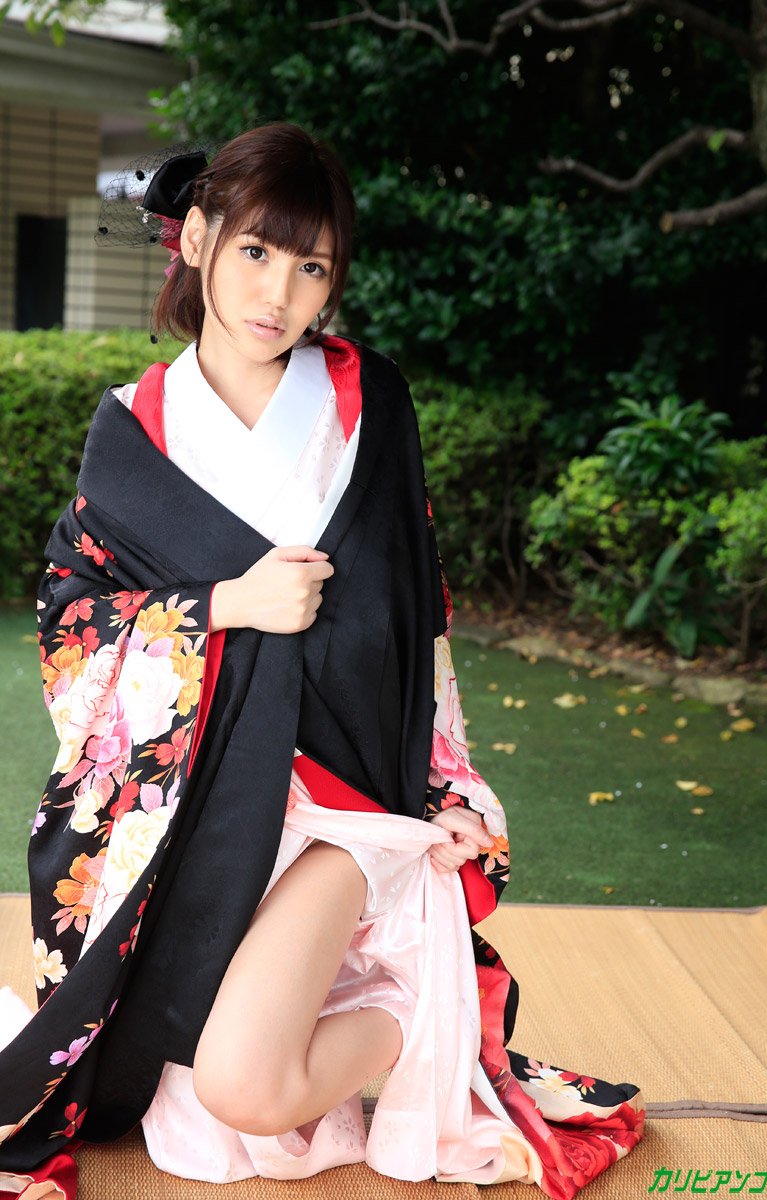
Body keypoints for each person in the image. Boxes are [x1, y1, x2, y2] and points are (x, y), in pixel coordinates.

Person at [0, 122, 644, 1200]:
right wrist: (221, 606)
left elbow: (416, 614)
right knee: (195, 1133)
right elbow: (73, 622)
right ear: (195, 239)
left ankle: (422, 1004)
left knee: (243, 1090)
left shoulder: (369, 403)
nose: (281, 293)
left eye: (313, 267)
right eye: (256, 251)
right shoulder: (134, 431)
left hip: (348, 807)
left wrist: (449, 785)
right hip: (208, 813)